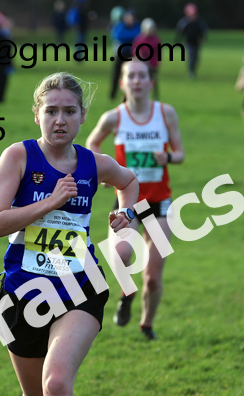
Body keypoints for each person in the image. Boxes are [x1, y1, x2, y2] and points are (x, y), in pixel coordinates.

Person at [0, 72, 139, 396]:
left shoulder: (93, 163)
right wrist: (49, 203)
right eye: (51, 111)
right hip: (23, 292)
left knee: (56, 383)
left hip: (80, 287)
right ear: (37, 114)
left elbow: (129, 181)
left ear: (82, 117)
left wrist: (126, 216)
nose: (59, 120)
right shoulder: (18, 157)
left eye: (69, 111)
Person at [86, 60, 185, 341]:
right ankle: (127, 292)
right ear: (122, 83)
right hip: (127, 202)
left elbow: (180, 153)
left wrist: (167, 157)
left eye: (142, 76)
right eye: (131, 76)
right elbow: (92, 144)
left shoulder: (165, 113)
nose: (137, 81)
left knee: (152, 278)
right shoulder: (114, 117)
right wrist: (105, 173)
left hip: (159, 203)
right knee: (120, 254)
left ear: (151, 82)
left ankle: (147, 324)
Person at [110, 10, 140, 99]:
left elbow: (137, 36)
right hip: (120, 53)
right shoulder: (120, 26)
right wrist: (130, 37)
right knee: (116, 74)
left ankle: (127, 95)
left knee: (129, 75)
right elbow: (118, 36)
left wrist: (127, 37)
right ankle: (112, 94)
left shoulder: (137, 26)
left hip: (131, 54)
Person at [176, 3, 208, 79]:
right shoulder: (184, 22)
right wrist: (178, 40)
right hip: (189, 42)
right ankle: (191, 71)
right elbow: (180, 32)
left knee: (196, 57)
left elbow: (204, 31)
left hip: (197, 43)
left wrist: (202, 39)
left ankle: (193, 70)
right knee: (190, 56)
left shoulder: (199, 22)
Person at [132, 18, 161, 99]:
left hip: (152, 63)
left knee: (153, 80)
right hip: (142, 63)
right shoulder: (140, 39)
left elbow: (158, 51)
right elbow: (135, 50)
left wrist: (158, 61)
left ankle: (155, 96)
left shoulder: (156, 39)